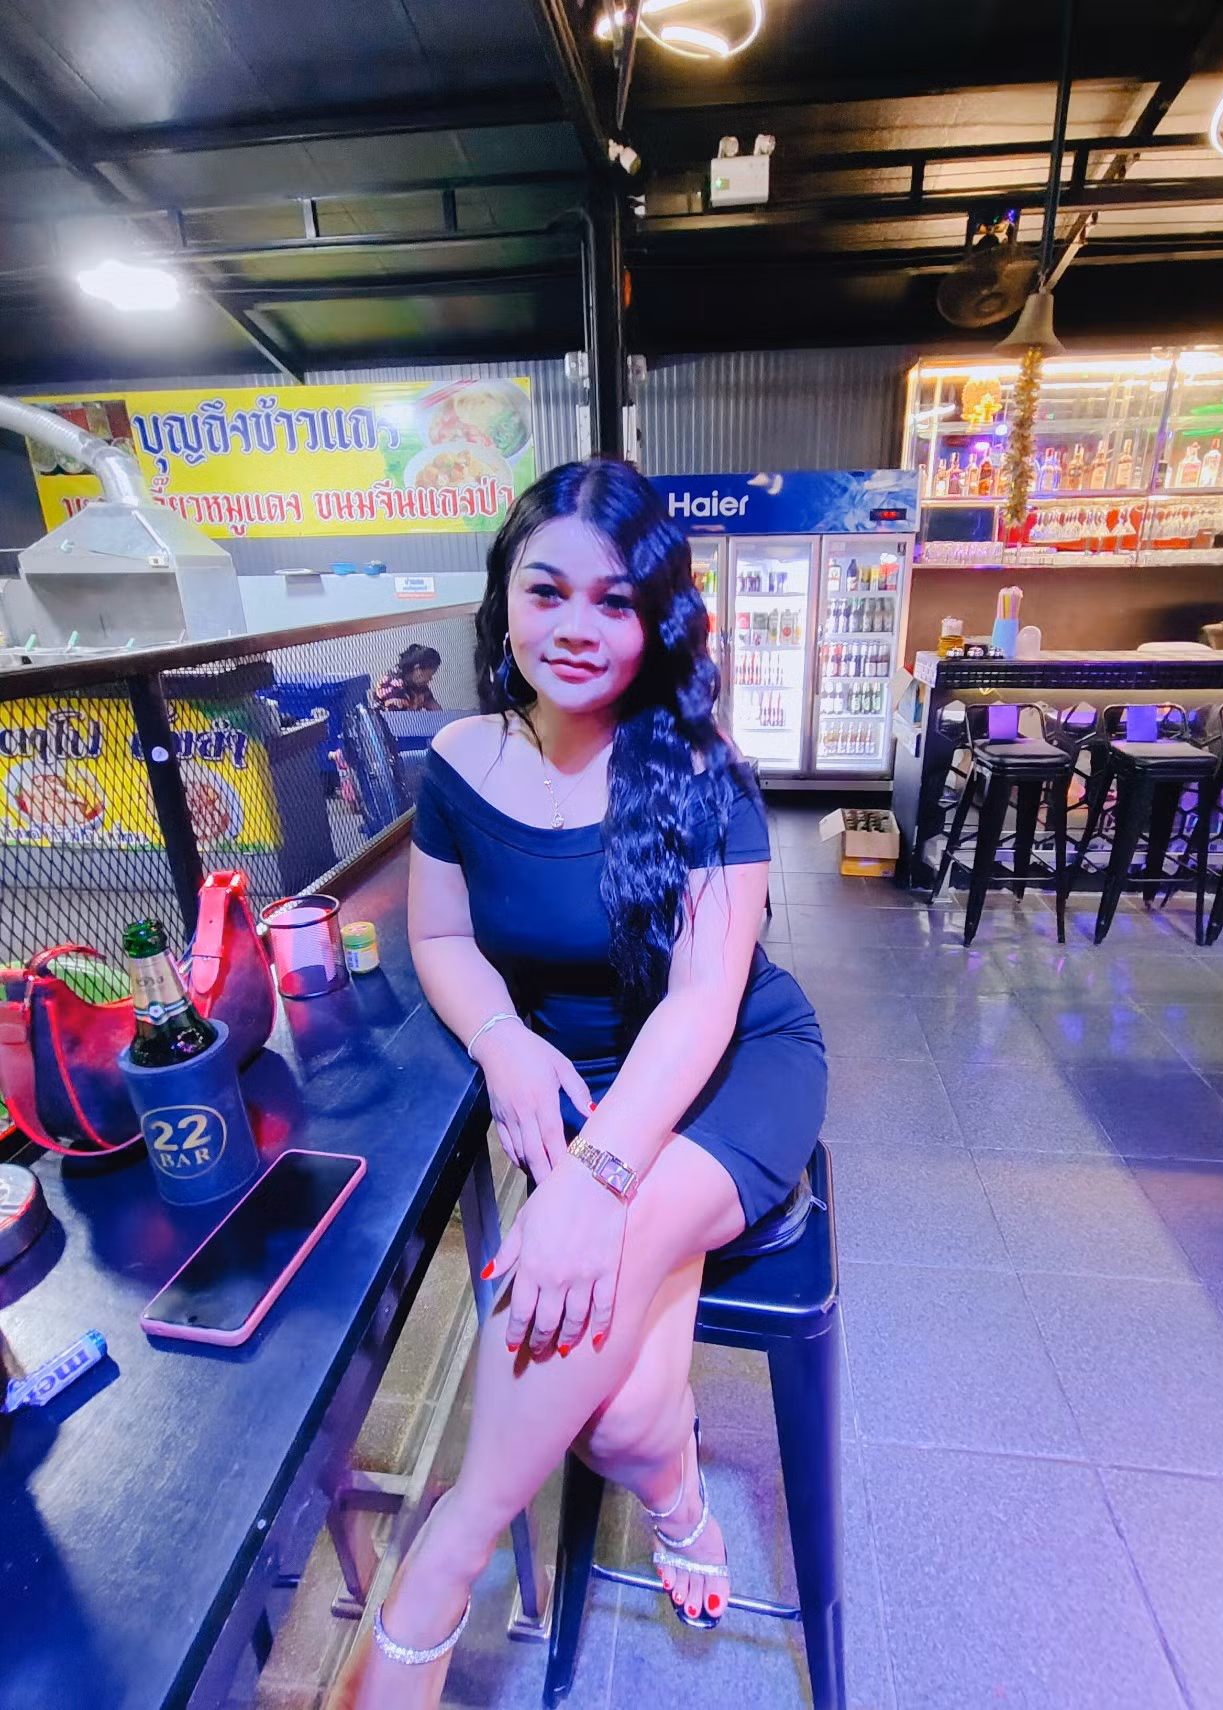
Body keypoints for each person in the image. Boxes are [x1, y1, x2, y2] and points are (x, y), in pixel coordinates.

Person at [335, 458, 826, 1709]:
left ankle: (439, 1568)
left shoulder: (700, 770)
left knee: (563, 1279)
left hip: (725, 1072)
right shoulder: (461, 759)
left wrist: (596, 1179)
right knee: (617, 1418)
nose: (574, 626)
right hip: (574, 1082)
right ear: (503, 598)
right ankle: (680, 1500)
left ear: (656, 619)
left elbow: (704, 1002)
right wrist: (503, 1039)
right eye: (545, 590)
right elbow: (440, 936)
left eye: (614, 601)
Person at [375, 644, 442, 712]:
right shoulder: (395, 687)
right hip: (392, 717)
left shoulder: (417, 683)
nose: (430, 679)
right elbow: (399, 717)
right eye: (429, 675)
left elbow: (435, 708)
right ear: (418, 670)